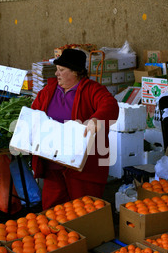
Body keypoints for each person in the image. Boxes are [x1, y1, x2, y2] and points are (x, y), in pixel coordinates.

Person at [31, 48, 119, 210]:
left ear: (76, 72)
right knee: (52, 212)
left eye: (62, 70)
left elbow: (110, 105)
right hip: (53, 164)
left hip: (83, 168)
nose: (56, 74)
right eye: (57, 70)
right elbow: (34, 114)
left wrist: (95, 120)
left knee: (84, 211)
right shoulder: (48, 91)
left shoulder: (92, 90)